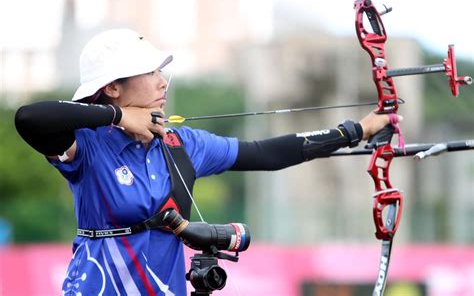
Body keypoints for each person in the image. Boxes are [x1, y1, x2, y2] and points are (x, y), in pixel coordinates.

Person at [15, 28, 396, 295]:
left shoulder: (184, 143)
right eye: (150, 73)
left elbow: (263, 154)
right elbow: (29, 118)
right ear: (113, 87)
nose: (163, 82)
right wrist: (117, 117)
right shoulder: (88, 144)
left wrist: (354, 132)